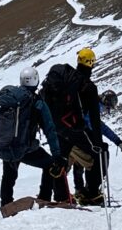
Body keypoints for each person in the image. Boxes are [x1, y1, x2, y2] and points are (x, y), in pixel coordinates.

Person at [39, 47, 103, 203]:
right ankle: (91, 193)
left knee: (58, 159)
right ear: (90, 63)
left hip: (57, 126)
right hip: (75, 128)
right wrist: (98, 142)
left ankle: (48, 195)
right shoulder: (88, 87)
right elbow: (95, 119)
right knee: (99, 155)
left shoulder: (66, 80)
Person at [0, 66, 67, 208]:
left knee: (9, 175)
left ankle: (6, 203)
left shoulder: (10, 98)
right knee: (49, 164)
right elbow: (50, 129)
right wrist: (57, 154)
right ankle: (44, 197)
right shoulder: (36, 102)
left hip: (7, 146)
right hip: (26, 148)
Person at [73, 89, 122, 204]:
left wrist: (117, 141)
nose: (108, 110)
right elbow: (95, 125)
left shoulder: (90, 104)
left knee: (79, 161)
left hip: (70, 136)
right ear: (107, 103)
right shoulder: (95, 107)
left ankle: (80, 189)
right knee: (96, 157)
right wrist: (116, 141)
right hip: (80, 136)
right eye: (110, 106)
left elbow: (99, 126)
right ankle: (91, 191)